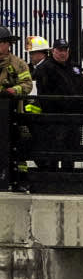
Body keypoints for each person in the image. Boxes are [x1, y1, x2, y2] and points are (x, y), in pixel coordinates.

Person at [32, 40, 83, 173]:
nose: (63, 53)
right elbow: (43, 92)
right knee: (54, 147)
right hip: (54, 117)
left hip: (73, 116)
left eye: (65, 50)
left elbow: (82, 87)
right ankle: (52, 176)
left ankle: (68, 175)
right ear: (53, 51)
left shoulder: (74, 67)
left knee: (71, 148)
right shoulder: (45, 68)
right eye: (59, 50)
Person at [1, 30, 37, 184]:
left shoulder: (18, 64)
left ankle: (18, 180)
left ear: (8, 44)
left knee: (16, 146)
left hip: (12, 114)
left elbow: (27, 85)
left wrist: (13, 90)